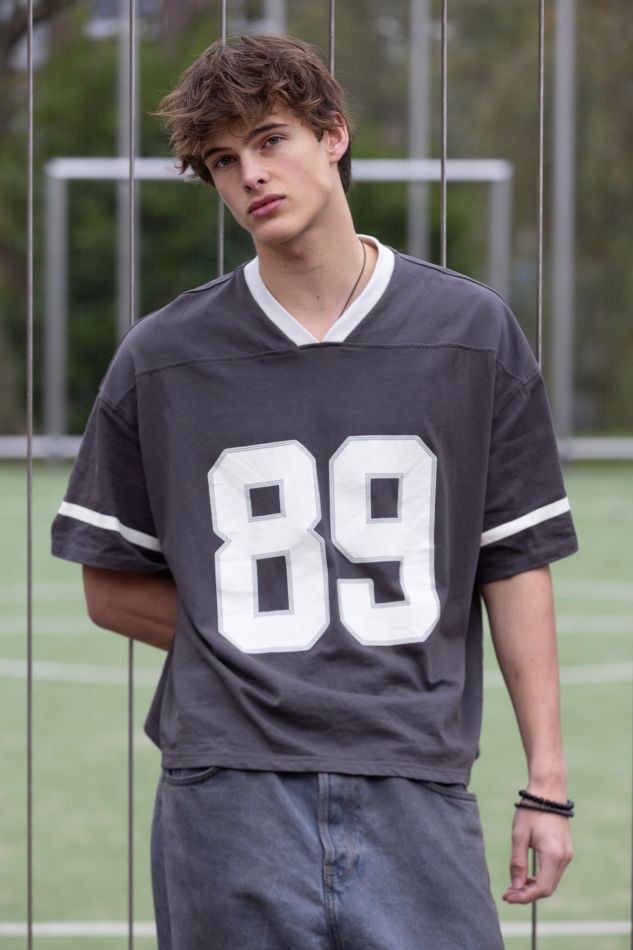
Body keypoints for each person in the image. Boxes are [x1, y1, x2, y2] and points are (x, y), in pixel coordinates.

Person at [51, 33, 578, 950]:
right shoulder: (163, 357)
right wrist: (258, 636)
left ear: (332, 134)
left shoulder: (469, 332)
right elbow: (110, 585)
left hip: (414, 774)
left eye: (270, 140)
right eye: (223, 160)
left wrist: (547, 783)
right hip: (226, 788)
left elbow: (514, 560)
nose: (250, 174)